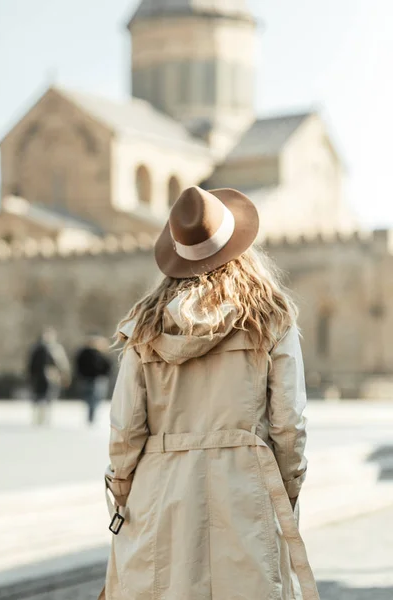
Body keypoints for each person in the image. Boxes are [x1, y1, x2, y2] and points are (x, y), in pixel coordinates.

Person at [101, 187, 319, 600]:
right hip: (246, 483)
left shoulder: (144, 328)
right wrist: (286, 491)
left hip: (160, 489)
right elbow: (289, 424)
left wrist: (126, 493)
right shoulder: (271, 319)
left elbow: (126, 429)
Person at [27, 327, 70, 426]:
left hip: (52, 376)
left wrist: (64, 374)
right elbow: (31, 364)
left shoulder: (56, 348)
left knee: (49, 398)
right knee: (38, 398)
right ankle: (37, 418)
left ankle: (46, 418)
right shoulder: (36, 348)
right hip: (38, 377)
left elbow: (62, 363)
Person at [75, 334, 112, 424]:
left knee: (96, 398)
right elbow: (79, 365)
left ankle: (92, 415)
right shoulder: (85, 353)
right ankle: (91, 416)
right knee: (91, 398)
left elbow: (108, 365)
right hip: (89, 378)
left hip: (98, 379)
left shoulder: (101, 353)